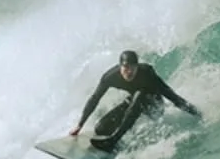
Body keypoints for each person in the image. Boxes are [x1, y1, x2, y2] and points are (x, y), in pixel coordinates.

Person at [71, 49, 201, 150]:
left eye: (133, 67)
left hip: (154, 106)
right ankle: (118, 140)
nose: (129, 71)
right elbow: (95, 99)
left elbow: (171, 95)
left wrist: (195, 112)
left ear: (137, 66)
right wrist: (80, 125)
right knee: (101, 129)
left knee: (140, 95)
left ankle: (114, 139)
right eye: (126, 68)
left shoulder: (147, 73)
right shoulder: (110, 77)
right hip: (134, 102)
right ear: (120, 66)